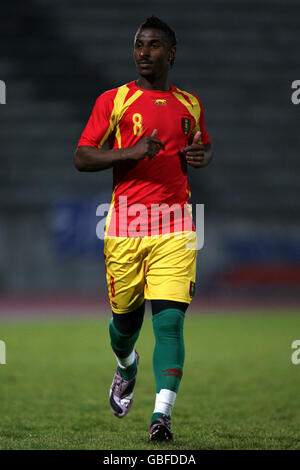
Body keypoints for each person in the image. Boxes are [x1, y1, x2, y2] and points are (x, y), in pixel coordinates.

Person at [74, 15, 213, 441]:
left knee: (169, 323)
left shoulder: (190, 103)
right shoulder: (113, 100)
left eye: (153, 46)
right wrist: (129, 152)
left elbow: (201, 145)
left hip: (175, 226)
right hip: (125, 228)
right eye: (138, 45)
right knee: (124, 327)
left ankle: (162, 417)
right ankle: (125, 365)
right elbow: (82, 157)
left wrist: (202, 155)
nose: (143, 53)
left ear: (170, 53)